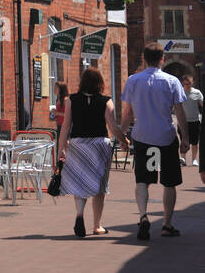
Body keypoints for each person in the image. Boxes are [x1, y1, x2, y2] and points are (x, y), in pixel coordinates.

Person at [120, 44, 189, 239]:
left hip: (143, 138)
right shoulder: (172, 81)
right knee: (169, 182)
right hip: (166, 138)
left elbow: (127, 112)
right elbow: (180, 112)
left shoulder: (133, 81)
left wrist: (122, 136)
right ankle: (167, 224)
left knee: (143, 179)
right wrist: (186, 137)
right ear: (162, 59)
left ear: (144, 58)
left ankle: (143, 216)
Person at [57, 67, 117, 237]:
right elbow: (112, 126)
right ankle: (97, 225)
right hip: (99, 145)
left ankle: (79, 215)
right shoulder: (107, 101)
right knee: (100, 186)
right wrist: (123, 139)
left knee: (79, 182)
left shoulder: (71, 101)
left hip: (78, 144)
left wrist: (61, 148)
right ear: (100, 83)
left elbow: (66, 126)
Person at [183, 76, 203, 166]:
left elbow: (202, 104)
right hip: (183, 122)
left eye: (190, 83)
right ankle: (183, 158)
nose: (188, 85)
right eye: (186, 84)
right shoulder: (180, 92)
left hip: (195, 121)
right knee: (184, 140)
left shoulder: (197, 92)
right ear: (183, 83)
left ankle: (194, 159)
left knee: (195, 141)